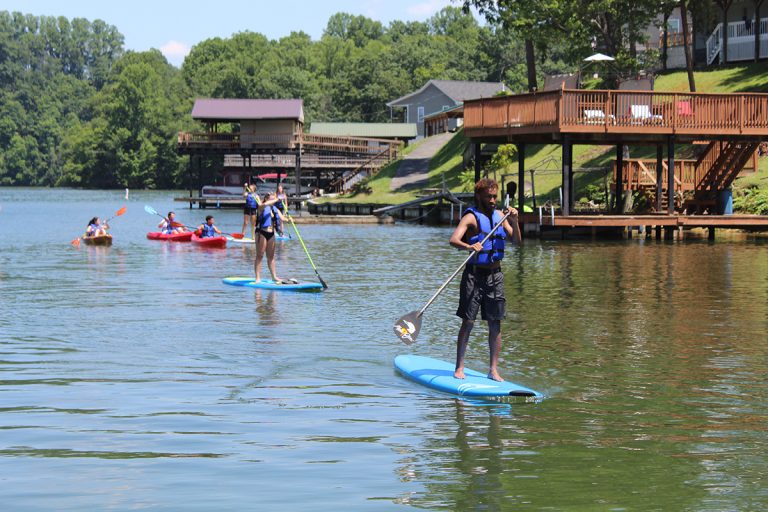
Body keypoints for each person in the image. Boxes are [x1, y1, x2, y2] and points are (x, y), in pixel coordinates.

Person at [448, 178, 521, 382]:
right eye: (488, 196)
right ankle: (459, 367)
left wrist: (515, 221)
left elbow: (517, 241)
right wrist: (469, 246)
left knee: (495, 323)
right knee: (468, 321)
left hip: (495, 276)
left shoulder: (500, 216)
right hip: (474, 274)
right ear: (478, 196)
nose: (492, 200)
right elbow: (453, 240)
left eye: (494, 196)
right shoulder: (471, 217)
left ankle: (493, 370)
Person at [254, 192, 287, 283]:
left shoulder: (275, 209)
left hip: (271, 233)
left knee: (271, 257)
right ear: (266, 199)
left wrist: (290, 219)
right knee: (260, 255)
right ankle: (258, 278)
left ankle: (274, 276)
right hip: (261, 232)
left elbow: (282, 218)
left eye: (274, 199)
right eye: (272, 199)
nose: (274, 201)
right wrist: (276, 199)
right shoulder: (261, 206)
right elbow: (265, 204)